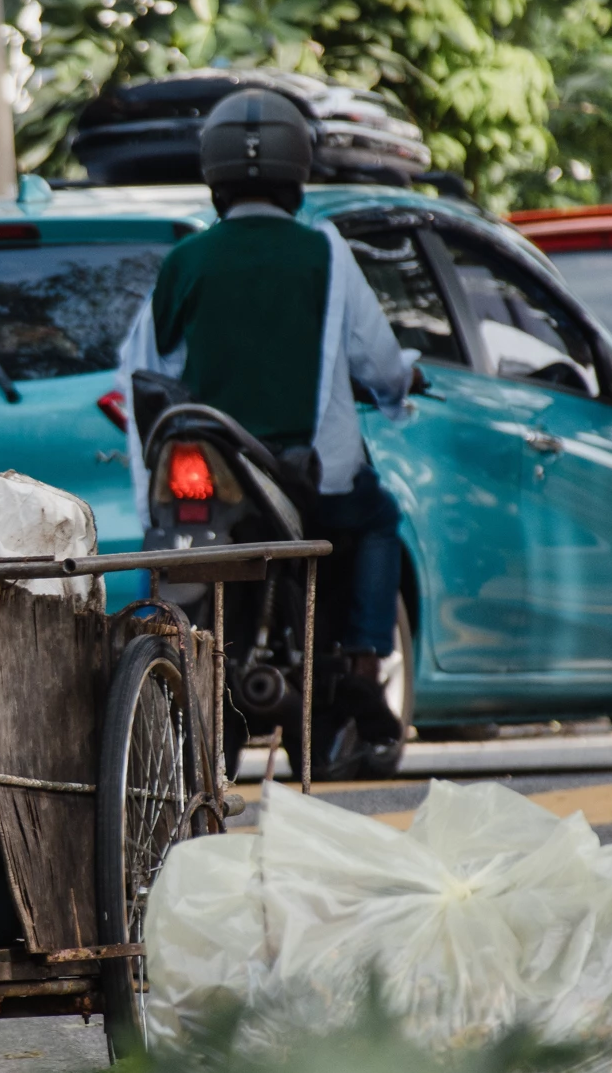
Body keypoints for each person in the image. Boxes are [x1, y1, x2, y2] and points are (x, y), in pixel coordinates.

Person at [115, 87, 418, 742]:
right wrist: (400, 388)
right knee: (377, 516)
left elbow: (142, 370)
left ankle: (151, 648)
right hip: (307, 482)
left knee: (167, 537)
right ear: (298, 170)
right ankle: (364, 665)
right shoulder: (326, 254)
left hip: (215, 475)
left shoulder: (185, 261)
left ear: (214, 173)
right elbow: (380, 360)